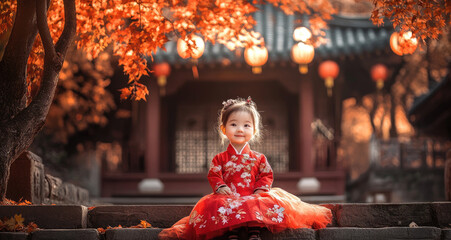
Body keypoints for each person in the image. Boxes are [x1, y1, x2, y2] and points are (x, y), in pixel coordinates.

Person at [159, 97, 332, 240]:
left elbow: (266, 175)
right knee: (217, 204)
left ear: (254, 130)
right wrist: (221, 186)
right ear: (223, 129)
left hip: (252, 194)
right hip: (229, 195)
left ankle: (254, 231)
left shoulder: (259, 158)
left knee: (259, 202)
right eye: (234, 125)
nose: (240, 129)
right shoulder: (220, 158)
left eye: (246, 125)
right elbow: (214, 174)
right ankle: (231, 230)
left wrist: (260, 189)